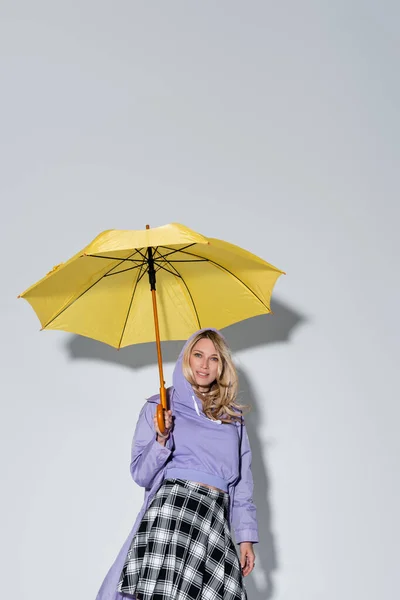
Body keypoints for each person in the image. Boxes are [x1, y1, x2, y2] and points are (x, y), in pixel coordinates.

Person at [96, 328, 258, 600]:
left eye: (214, 358)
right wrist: (161, 438)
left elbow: (242, 483)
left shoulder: (233, 418)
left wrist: (246, 537)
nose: (204, 365)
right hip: (173, 515)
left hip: (213, 520)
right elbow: (140, 473)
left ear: (223, 366)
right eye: (198, 355)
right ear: (186, 358)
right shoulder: (160, 406)